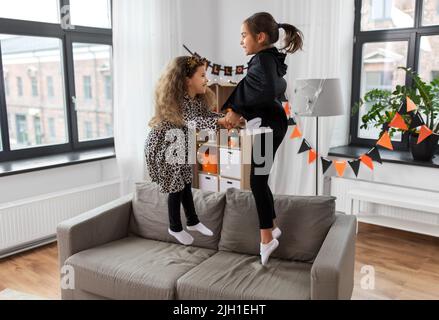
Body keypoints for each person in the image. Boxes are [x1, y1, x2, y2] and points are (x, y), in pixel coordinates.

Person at [222, 12, 304, 265]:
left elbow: (265, 88)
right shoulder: (266, 60)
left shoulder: (262, 61)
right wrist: (239, 107)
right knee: (260, 179)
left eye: (244, 35)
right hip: (271, 124)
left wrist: (236, 108)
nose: (241, 41)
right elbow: (265, 88)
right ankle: (272, 228)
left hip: (269, 127)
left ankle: (266, 237)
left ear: (260, 37)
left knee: (256, 181)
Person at [145, 56, 232, 245]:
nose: (206, 79)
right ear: (187, 80)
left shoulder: (196, 99)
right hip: (164, 145)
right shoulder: (179, 100)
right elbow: (193, 122)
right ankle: (174, 227)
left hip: (180, 144)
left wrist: (226, 118)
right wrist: (220, 121)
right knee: (175, 187)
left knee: (185, 181)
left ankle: (192, 221)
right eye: (202, 75)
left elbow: (206, 116)